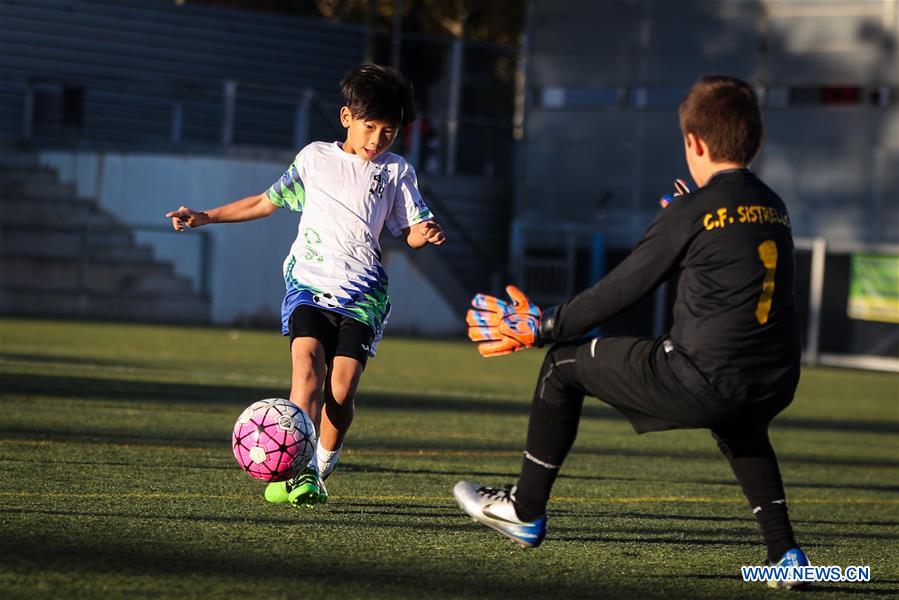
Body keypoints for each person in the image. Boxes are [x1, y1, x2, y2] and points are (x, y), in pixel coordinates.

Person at [456, 75, 809, 589]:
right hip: (774, 381)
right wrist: (687, 222)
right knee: (741, 420)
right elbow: (725, 245)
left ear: (694, 143)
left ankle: (524, 509)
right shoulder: (775, 206)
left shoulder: (693, 211)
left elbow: (621, 290)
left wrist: (544, 326)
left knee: (562, 366)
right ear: (755, 140)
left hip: (701, 378)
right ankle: (786, 556)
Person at [166, 64, 445, 508]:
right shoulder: (314, 158)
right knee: (307, 370)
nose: (376, 140)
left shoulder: (396, 172)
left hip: (362, 295)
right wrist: (205, 216)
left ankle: (323, 457)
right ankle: (301, 470)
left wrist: (424, 233)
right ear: (346, 118)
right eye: (369, 127)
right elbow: (264, 201)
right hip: (309, 284)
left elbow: (409, 230)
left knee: (342, 390)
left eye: (388, 132)